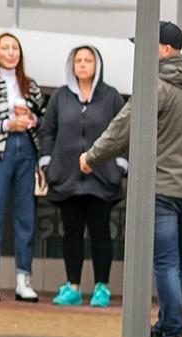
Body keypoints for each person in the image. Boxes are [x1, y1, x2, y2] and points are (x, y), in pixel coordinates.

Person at [81, 21, 182, 337]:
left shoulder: (155, 85)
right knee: (178, 264)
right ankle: (166, 329)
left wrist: (90, 157)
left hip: (162, 191)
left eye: (146, 45)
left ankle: (172, 336)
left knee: (164, 263)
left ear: (164, 49)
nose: (141, 52)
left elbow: (121, 129)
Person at [39, 45, 126, 308]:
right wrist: (47, 162)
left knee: (101, 233)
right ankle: (73, 287)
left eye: (88, 60)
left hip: (103, 178)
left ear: (97, 65)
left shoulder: (111, 96)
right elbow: (47, 131)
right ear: (72, 65)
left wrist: (120, 165)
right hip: (67, 178)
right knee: (71, 233)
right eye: (79, 60)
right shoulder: (60, 96)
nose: (83, 64)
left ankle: (102, 288)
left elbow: (124, 131)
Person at [0, 32, 45, 302]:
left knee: (26, 215)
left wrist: (31, 119)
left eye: (15, 48)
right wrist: (6, 124)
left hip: (27, 149)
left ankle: (24, 277)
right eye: (5, 48)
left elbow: (44, 120)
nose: (11, 52)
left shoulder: (30, 85)